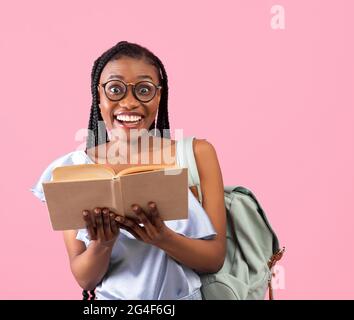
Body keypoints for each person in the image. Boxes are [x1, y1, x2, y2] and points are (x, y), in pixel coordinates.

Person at [30, 41, 226, 300]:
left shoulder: (196, 154)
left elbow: (214, 260)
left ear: (158, 96)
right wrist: (103, 243)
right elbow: (84, 278)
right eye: (115, 90)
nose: (130, 102)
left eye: (143, 90)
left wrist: (162, 238)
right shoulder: (72, 169)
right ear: (98, 97)